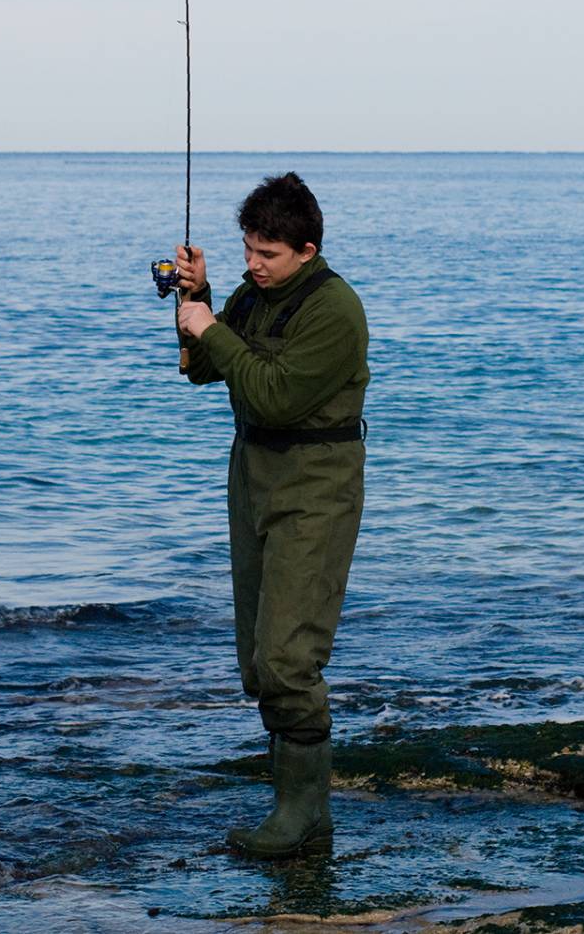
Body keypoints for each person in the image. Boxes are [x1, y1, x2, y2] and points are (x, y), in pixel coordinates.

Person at [175, 171, 369, 859]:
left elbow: (276, 397)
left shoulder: (334, 309)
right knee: (257, 660)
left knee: (289, 656)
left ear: (306, 250)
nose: (254, 264)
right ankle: (294, 808)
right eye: (248, 250)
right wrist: (197, 299)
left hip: (315, 480)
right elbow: (205, 370)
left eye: (268, 254)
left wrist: (210, 329)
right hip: (253, 472)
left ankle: (303, 816)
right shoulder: (253, 295)